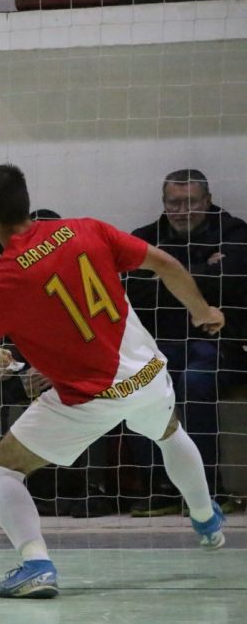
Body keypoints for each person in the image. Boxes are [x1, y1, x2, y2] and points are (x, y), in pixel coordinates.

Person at [0, 164, 227, 599]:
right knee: (168, 432)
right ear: (25, 201)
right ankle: (207, 520)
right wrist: (203, 312)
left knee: (3, 469)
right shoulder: (85, 230)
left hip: (88, 398)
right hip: (146, 375)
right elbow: (164, 263)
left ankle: (36, 565)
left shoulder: (0, 280)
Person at [125, 170, 247, 516]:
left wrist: (165, 273)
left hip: (223, 343)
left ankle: (207, 488)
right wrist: (202, 270)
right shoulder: (145, 237)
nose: (181, 210)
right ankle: (160, 487)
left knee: (194, 381)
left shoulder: (235, 233)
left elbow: (233, 280)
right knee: (139, 382)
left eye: (190, 202)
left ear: (207, 201)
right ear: (164, 203)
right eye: (173, 203)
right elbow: (132, 288)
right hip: (163, 344)